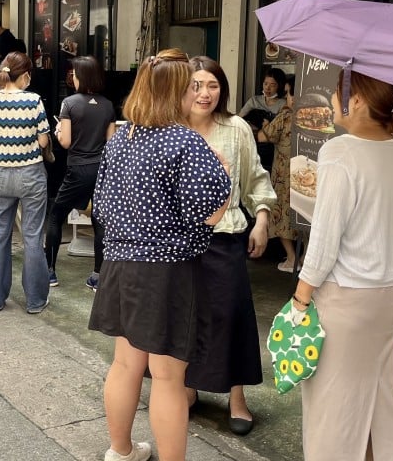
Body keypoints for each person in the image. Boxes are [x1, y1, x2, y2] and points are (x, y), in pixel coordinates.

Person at [89, 48, 232, 461]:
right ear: (176, 93)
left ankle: (120, 451)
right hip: (167, 271)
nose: (196, 95)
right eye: (191, 88)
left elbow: (101, 205)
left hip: (119, 263)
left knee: (125, 364)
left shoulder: (122, 138)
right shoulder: (185, 141)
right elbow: (209, 213)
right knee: (169, 377)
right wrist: (223, 176)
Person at [289, 70, 393, 461]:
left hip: (347, 297)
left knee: (333, 410)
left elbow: (324, 239)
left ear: (359, 100)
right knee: (377, 400)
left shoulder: (340, 152)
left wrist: (300, 297)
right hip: (389, 295)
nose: (334, 100)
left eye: (338, 92)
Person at [184, 56, 275, 436]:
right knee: (184, 316)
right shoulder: (172, 128)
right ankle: (186, 387)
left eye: (213, 85)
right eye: (196, 85)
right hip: (179, 242)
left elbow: (256, 178)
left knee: (232, 314)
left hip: (225, 237)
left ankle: (237, 397)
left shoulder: (236, 128)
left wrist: (263, 219)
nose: (205, 94)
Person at [0, 52, 52, 313]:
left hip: (0, 174)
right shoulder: (33, 100)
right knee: (32, 237)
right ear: (26, 75)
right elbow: (43, 141)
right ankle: (35, 301)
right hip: (31, 174)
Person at [43, 56, 115, 289]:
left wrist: (57, 131)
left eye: (74, 74)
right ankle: (97, 277)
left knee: (56, 215)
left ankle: (49, 272)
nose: (72, 78)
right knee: (99, 221)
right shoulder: (108, 105)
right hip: (102, 169)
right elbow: (111, 143)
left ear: (81, 77)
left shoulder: (69, 103)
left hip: (78, 168)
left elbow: (65, 142)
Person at [258, 86, 299, 272]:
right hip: (308, 174)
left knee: (281, 215)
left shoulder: (285, 116)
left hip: (285, 174)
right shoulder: (316, 116)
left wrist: (266, 124)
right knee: (306, 216)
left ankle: (291, 258)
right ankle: (304, 258)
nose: (287, 97)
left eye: (289, 93)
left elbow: (263, 137)